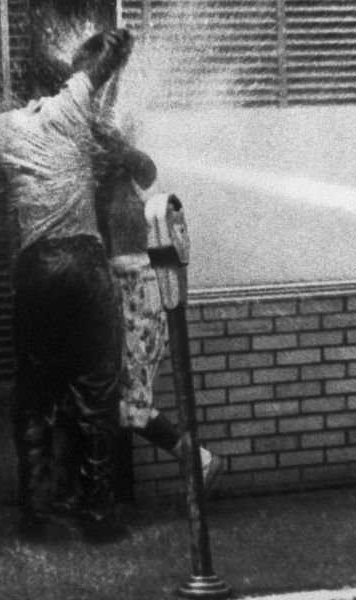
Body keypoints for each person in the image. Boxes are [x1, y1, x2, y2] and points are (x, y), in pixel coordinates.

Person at [0, 28, 135, 542]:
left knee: (34, 396)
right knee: (97, 393)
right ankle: (98, 515)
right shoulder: (72, 108)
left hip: (36, 266)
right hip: (85, 261)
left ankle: (36, 514)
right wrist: (110, 43)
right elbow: (111, 54)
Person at [91, 106, 225, 494]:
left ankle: (199, 458)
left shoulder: (130, 179)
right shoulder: (114, 184)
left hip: (137, 293)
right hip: (130, 294)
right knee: (123, 402)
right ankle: (195, 460)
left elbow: (144, 164)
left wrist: (104, 134)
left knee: (129, 406)